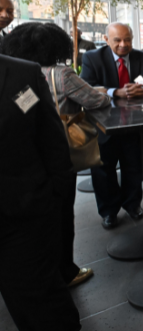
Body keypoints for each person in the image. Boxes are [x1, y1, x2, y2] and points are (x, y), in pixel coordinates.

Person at [1, 22, 110, 289]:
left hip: (22, 164)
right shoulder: (60, 74)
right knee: (61, 214)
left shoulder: (16, 75)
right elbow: (95, 101)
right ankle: (66, 270)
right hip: (58, 152)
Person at [0, 53, 82, 331]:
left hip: (23, 216)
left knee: (43, 310)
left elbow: (51, 139)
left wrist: (53, 198)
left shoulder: (23, 75)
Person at [80, 23, 143, 230]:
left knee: (134, 166)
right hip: (104, 124)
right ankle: (109, 211)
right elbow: (86, 87)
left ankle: (133, 204)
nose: (123, 44)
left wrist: (142, 90)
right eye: (117, 40)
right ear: (106, 39)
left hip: (136, 122)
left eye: (127, 39)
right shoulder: (93, 58)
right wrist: (113, 92)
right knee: (103, 169)